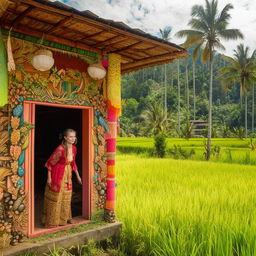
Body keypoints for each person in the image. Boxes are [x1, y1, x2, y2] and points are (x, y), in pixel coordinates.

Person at [42, 129, 82, 228]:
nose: (73, 139)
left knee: (66, 196)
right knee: (57, 197)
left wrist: (78, 176)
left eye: (74, 137)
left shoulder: (74, 149)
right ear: (65, 137)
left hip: (68, 174)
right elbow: (50, 163)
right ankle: (52, 221)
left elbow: (73, 163)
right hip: (58, 174)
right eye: (70, 137)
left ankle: (65, 219)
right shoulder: (60, 149)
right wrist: (49, 178)